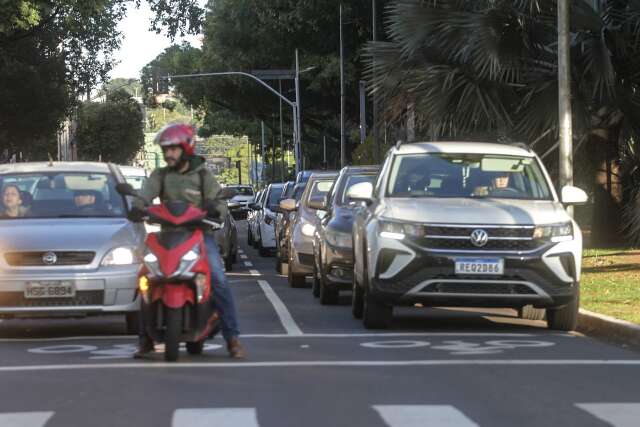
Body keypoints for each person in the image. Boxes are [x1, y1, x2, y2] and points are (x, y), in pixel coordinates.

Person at [131, 123, 245, 359]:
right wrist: (138, 207)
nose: (169, 154)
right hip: (167, 236)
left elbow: (219, 201)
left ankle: (232, 338)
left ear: (185, 148)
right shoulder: (160, 175)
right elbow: (144, 195)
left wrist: (216, 210)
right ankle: (145, 339)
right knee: (145, 279)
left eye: (173, 149)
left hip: (199, 236)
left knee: (219, 280)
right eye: (166, 149)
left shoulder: (203, 174)